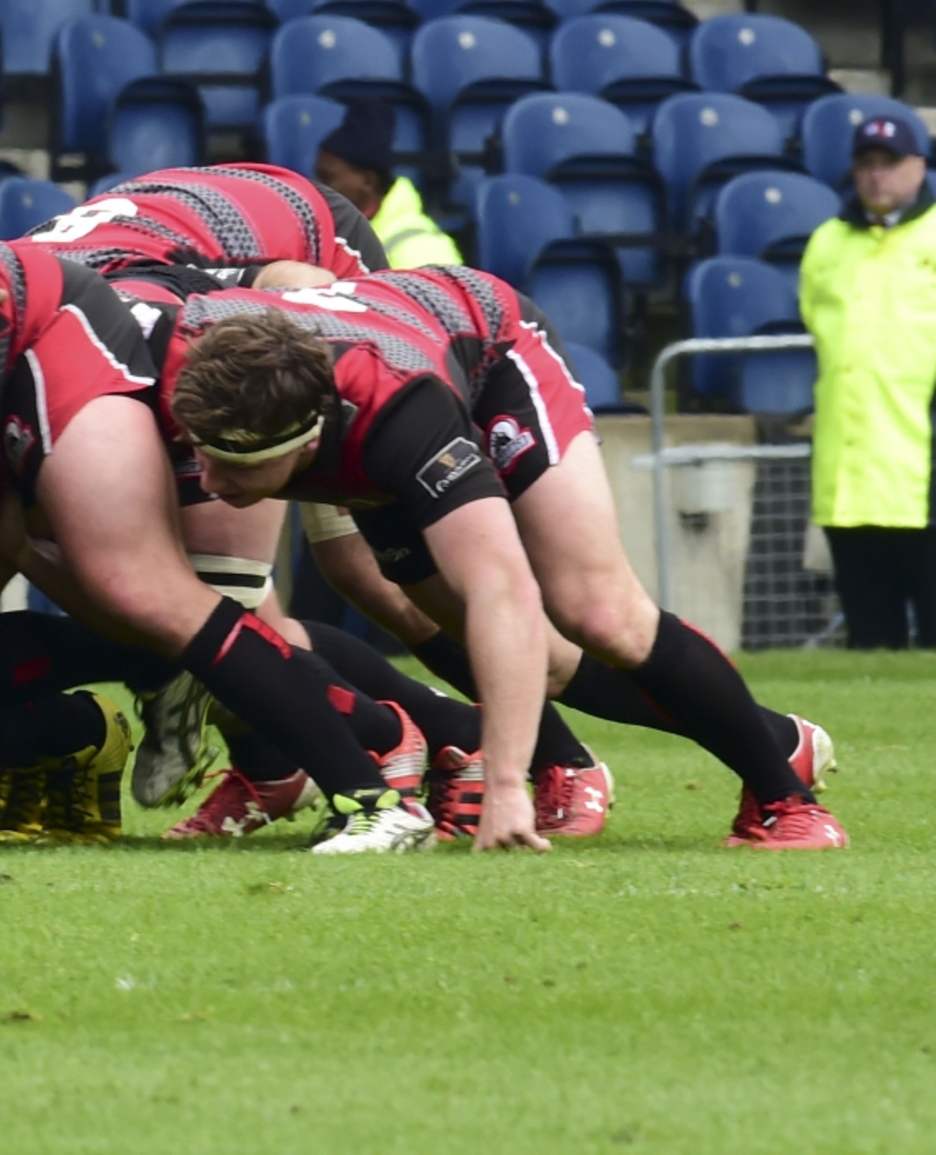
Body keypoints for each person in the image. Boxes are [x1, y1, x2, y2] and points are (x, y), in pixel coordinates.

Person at [162, 272, 846, 850]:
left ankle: (788, 801)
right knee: (491, 643)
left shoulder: (402, 417)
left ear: (302, 445)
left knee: (598, 613)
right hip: (372, 366)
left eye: (230, 466)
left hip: (492, 355)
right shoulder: (193, 356)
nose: (209, 485)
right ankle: (773, 739)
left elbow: (503, 586)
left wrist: (503, 786)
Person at [800, 111, 936, 649]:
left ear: (920, 165)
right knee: (870, 641)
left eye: (890, 163)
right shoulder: (827, 243)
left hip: (923, 472)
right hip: (849, 478)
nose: (877, 175)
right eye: (867, 164)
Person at [312, 100, 462, 268]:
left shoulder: (421, 250)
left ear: (368, 181)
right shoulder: (342, 231)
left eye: (327, 177)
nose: (317, 187)